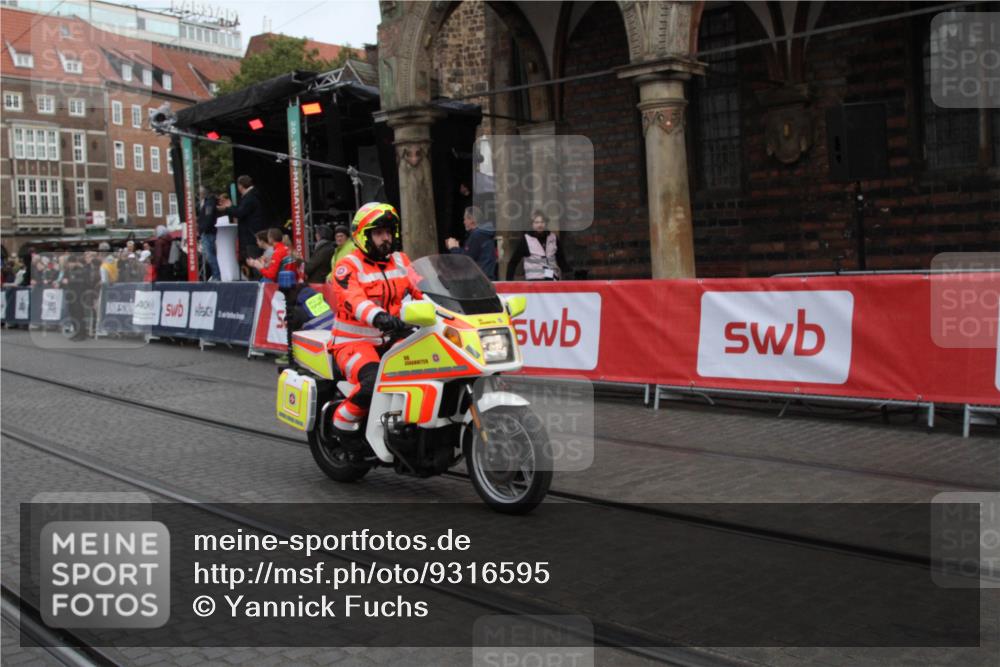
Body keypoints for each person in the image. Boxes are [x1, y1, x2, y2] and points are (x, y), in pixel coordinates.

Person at [328, 202, 424, 449]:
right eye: (379, 233)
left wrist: (443, 309)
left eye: (389, 232)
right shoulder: (348, 266)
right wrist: (379, 317)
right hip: (353, 344)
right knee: (373, 383)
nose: (386, 238)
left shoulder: (400, 261)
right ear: (365, 235)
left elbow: (422, 290)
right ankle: (342, 424)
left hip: (392, 337)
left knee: (428, 366)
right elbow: (353, 299)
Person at [505, 211, 571, 281]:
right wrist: (508, 282)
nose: (540, 225)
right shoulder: (526, 240)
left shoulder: (553, 238)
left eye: (542, 222)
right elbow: (513, 262)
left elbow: (561, 260)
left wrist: (569, 277)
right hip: (534, 281)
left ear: (546, 223)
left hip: (552, 280)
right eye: (536, 222)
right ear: (532, 224)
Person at [217, 175, 267, 263]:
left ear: (240, 186)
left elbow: (240, 213)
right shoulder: (252, 195)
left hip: (250, 235)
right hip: (253, 234)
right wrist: (231, 207)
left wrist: (227, 208)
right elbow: (242, 211)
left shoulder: (249, 197)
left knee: (254, 261)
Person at [445, 206, 497, 280]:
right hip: (485, 277)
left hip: (480, 280)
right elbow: (471, 254)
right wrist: (457, 248)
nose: (464, 222)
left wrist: (453, 248)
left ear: (471, 220)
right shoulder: (483, 234)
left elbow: (466, 260)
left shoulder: (477, 235)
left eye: (465, 219)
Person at [197, 186, 221, 281]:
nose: (199, 194)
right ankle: (216, 275)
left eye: (200, 192)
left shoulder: (209, 203)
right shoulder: (210, 203)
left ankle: (216, 276)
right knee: (210, 255)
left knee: (210, 255)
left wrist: (203, 228)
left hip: (208, 232)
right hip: (208, 231)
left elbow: (208, 217)